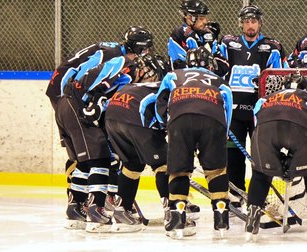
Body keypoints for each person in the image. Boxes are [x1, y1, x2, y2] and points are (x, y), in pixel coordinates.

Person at [49, 26, 154, 229]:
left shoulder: (115, 56)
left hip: (67, 102)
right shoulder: (124, 63)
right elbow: (102, 86)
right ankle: (95, 208)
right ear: (141, 49)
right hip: (74, 102)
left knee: (85, 160)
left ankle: (75, 206)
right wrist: (95, 102)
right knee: (101, 156)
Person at [155, 47, 234, 239]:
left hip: (180, 118)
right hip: (212, 118)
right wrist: (224, 131)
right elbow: (228, 106)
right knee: (216, 170)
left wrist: (164, 124)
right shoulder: (220, 81)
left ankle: (177, 217)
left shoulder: (174, 75)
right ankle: (221, 217)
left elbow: (160, 102)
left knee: (179, 170)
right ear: (209, 65)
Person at [245, 72, 307, 242]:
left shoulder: (265, 98)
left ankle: (251, 220)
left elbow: (256, 120)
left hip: (265, 130)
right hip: (299, 128)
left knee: (261, 174)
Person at [218, 5, 286, 208]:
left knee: (262, 155)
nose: (250, 25)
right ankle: (235, 194)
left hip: (259, 112)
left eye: (253, 21)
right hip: (234, 112)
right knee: (233, 155)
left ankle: (259, 196)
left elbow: (279, 78)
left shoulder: (272, 46)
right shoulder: (228, 44)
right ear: (241, 23)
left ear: (259, 23)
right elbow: (219, 71)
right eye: (246, 21)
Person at [103, 54, 170, 232]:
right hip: (134, 121)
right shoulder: (162, 87)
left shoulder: (130, 85)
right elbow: (164, 118)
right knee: (164, 165)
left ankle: (122, 211)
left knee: (132, 165)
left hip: (111, 119)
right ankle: (173, 211)